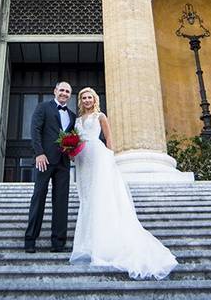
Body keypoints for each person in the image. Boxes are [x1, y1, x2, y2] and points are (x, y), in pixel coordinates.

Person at [70, 87, 178, 279]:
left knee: (99, 197)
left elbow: (109, 138)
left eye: (89, 97)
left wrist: (110, 158)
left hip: (98, 155)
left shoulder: (100, 116)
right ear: (80, 101)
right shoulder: (77, 120)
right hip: (82, 159)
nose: (86, 100)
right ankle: (88, 242)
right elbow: (76, 140)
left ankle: (102, 242)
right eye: (83, 98)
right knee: (87, 198)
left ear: (94, 99)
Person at [24, 81, 77, 253]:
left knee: (61, 202)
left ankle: (58, 242)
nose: (64, 93)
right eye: (61, 90)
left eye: (67, 91)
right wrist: (39, 153)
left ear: (70, 95)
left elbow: (72, 137)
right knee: (39, 198)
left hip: (63, 162)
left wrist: (73, 151)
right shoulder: (43, 107)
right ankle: (30, 239)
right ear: (55, 91)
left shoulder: (72, 115)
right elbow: (35, 130)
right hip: (44, 160)